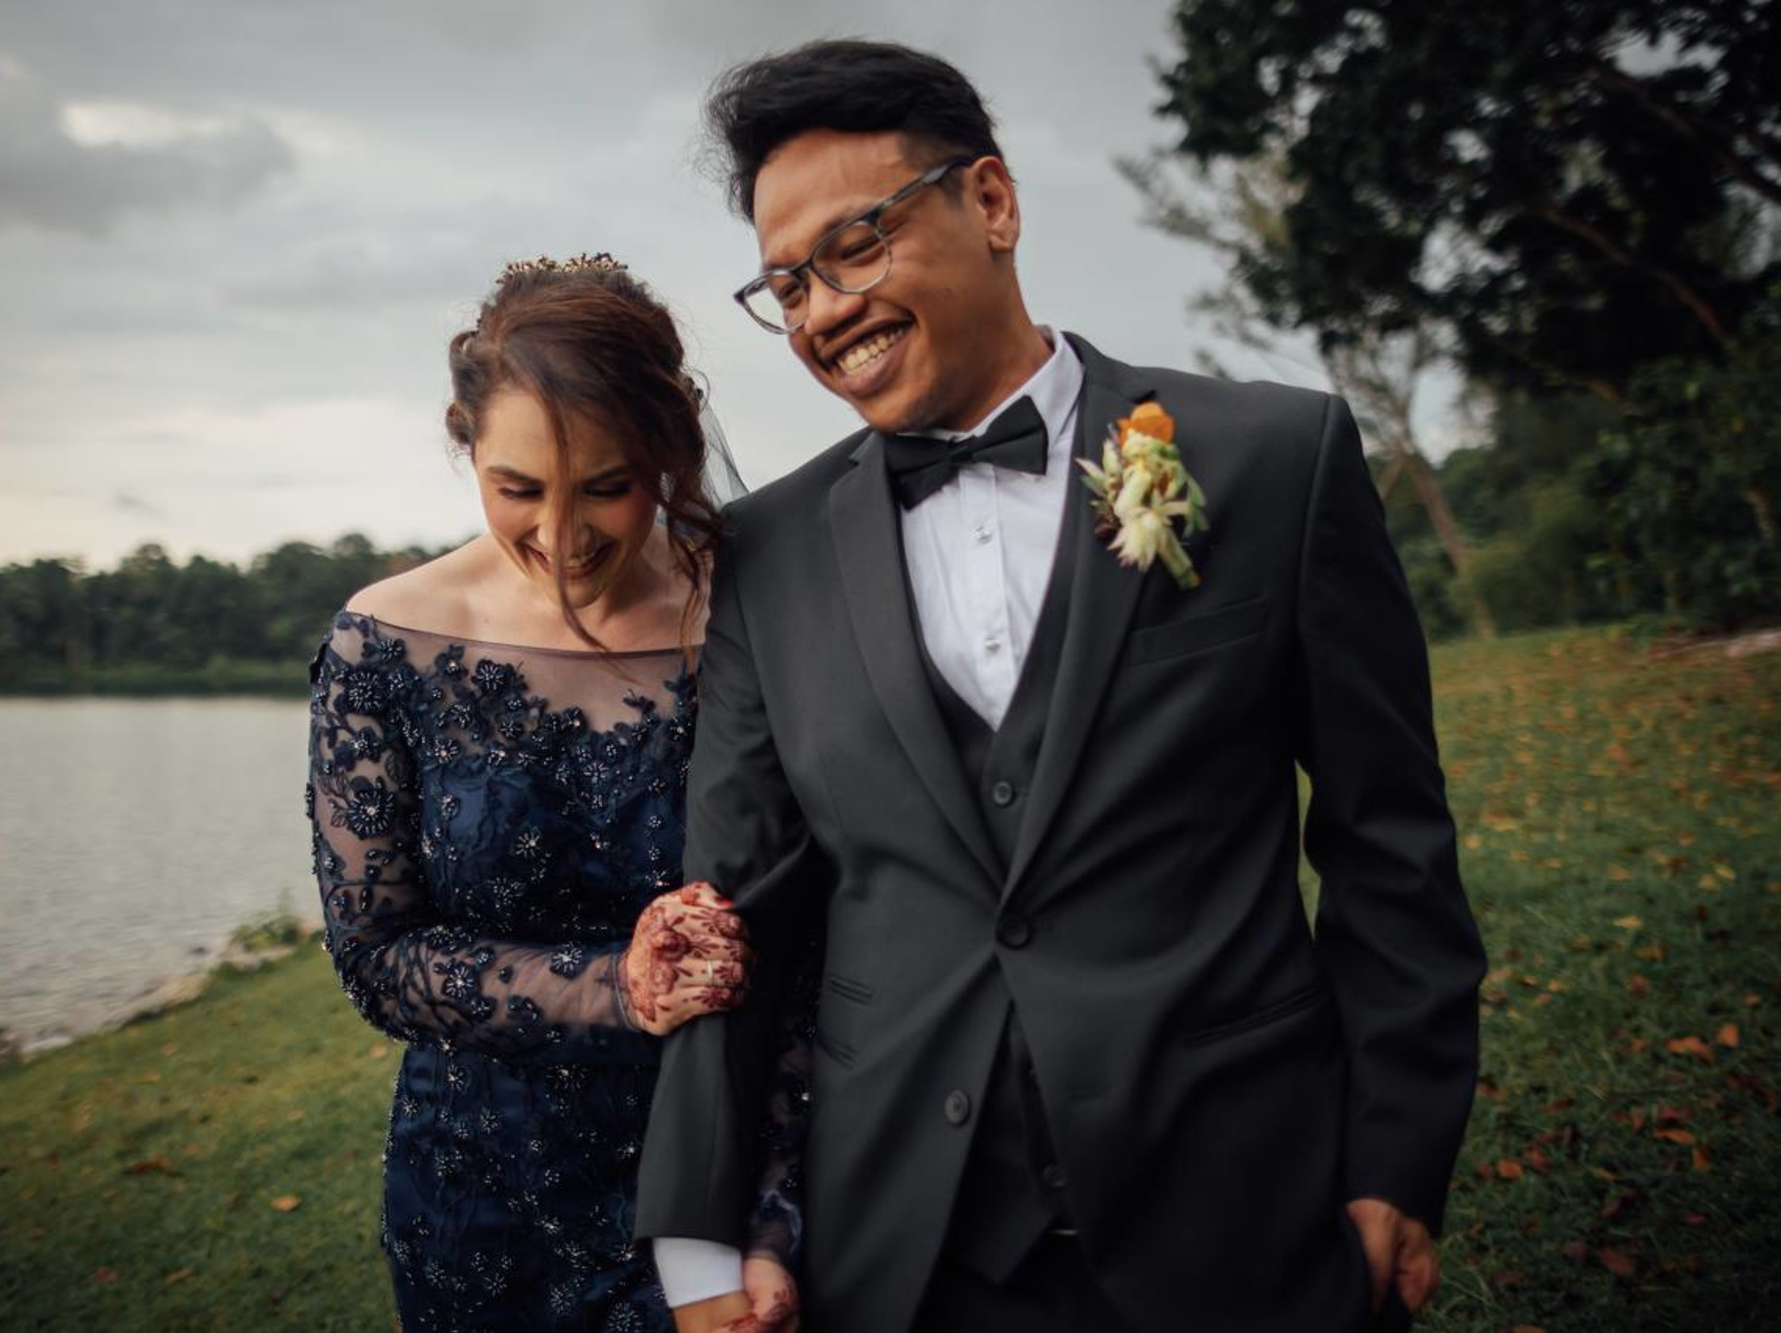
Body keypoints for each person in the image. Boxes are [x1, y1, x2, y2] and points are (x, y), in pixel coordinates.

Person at [635, 41, 1487, 1333]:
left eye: (855, 246)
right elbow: (724, 919)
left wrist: (1397, 1153)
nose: (820, 313)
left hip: (1250, 1214)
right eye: (786, 285)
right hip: (906, 1256)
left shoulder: (1274, 461)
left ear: (991, 201)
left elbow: (1390, 844)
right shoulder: (767, 554)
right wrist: (702, 1241)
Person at [306, 254, 762, 1331]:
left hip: (719, 1158)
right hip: (478, 1193)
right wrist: (619, 986)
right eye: (518, 489)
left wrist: (775, 1207)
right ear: (467, 447)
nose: (562, 538)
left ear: (668, 450)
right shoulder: (383, 643)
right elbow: (376, 958)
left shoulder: (751, 608)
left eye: (607, 484)